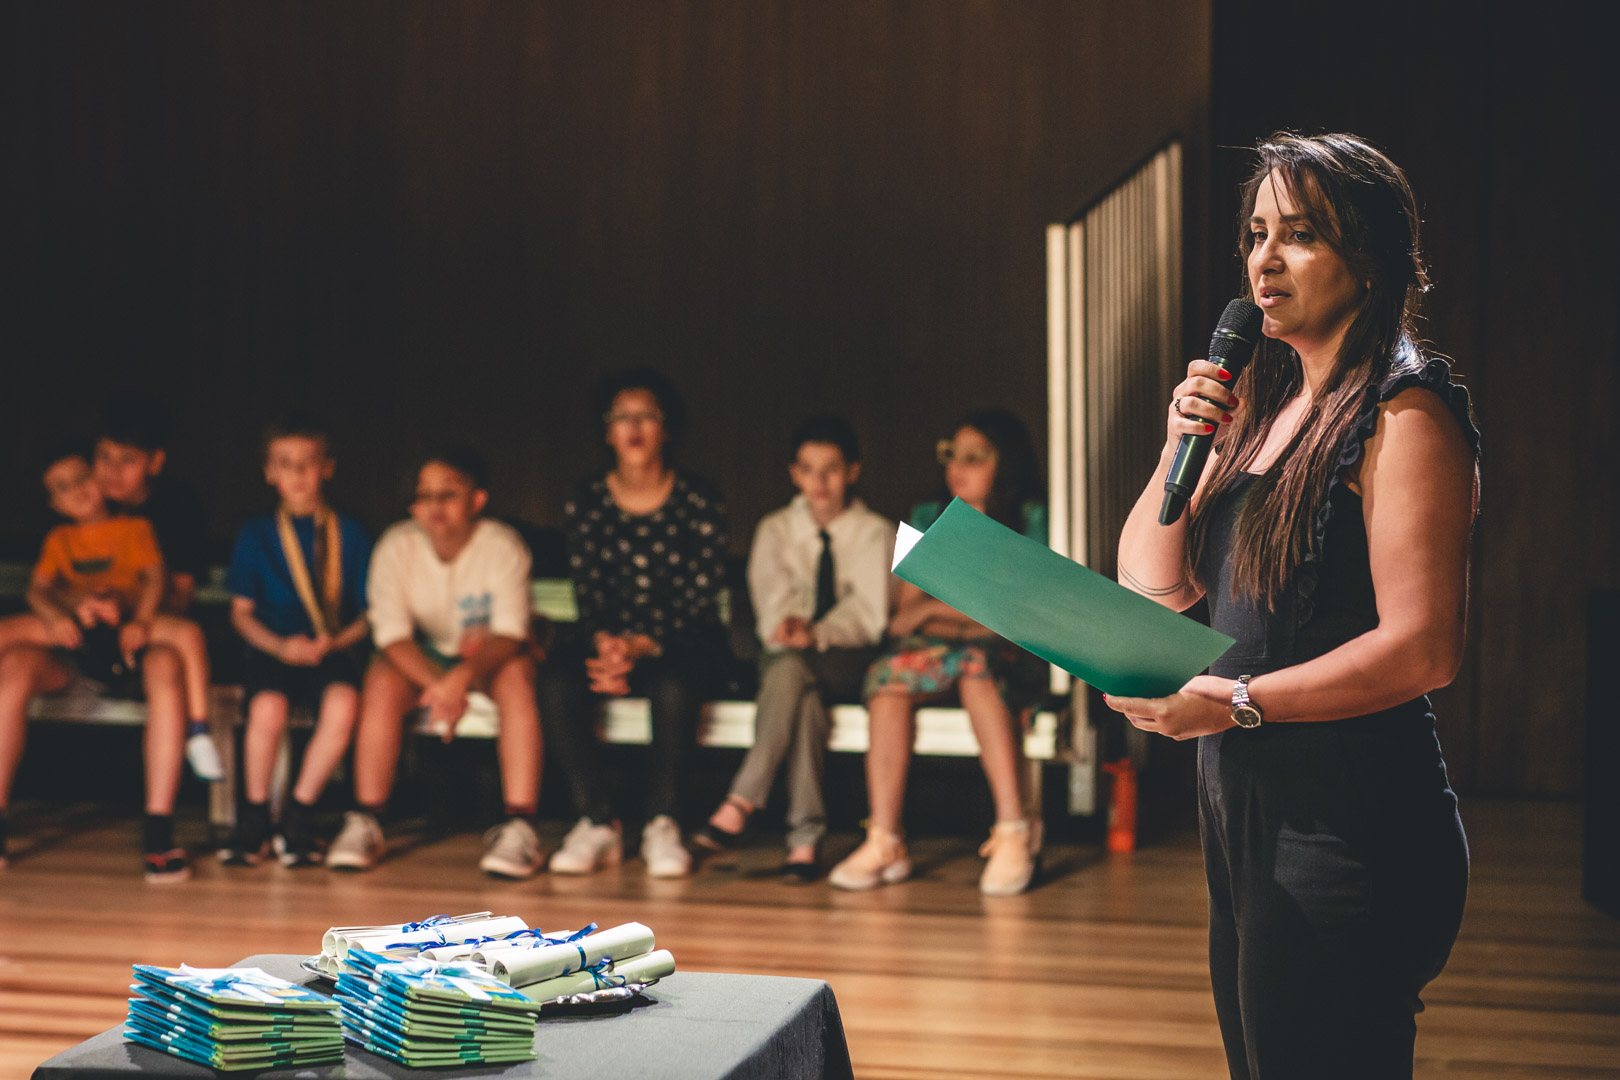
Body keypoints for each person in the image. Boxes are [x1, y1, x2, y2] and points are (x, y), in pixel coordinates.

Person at [1106, 133, 1476, 1078]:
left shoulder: (1404, 412)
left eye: (1300, 235)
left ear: (1372, 258)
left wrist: (1235, 701)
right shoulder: (1270, 415)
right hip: (1246, 813)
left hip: (1348, 822)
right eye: (1256, 234)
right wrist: (1178, 448)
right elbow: (1156, 585)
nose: (1264, 261)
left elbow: (1424, 648)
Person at [828, 408, 1048, 896]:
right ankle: (884, 839)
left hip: (1009, 655)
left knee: (975, 667)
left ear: (1004, 462)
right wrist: (962, 613)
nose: (956, 468)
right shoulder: (929, 515)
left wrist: (938, 609)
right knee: (889, 680)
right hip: (938, 651)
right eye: (951, 454)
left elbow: (1020, 616)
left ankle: (1013, 830)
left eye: (974, 457)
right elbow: (904, 616)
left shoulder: (1030, 518)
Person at [539, 369, 731, 878]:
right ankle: (596, 820)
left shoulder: (698, 498)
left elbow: (700, 596)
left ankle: (663, 821)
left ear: (667, 428)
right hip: (611, 644)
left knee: (674, 683)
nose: (634, 427)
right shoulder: (587, 498)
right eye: (622, 417)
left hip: (680, 641)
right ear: (607, 431)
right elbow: (589, 590)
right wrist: (609, 646)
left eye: (646, 416)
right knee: (558, 680)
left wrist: (643, 646)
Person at [325, 447, 545, 879]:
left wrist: (461, 677)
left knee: (518, 676)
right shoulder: (397, 546)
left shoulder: (501, 546)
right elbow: (391, 635)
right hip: (424, 657)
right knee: (382, 680)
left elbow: (510, 632)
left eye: (448, 494)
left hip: (485, 658)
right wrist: (440, 684)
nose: (435, 506)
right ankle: (367, 818)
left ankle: (521, 824)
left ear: (477, 500)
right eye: (424, 496)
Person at [693, 416, 893, 881]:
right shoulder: (776, 529)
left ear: (853, 471)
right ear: (793, 474)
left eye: (831, 469)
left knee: (791, 671)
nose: (819, 482)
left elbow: (870, 616)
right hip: (787, 657)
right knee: (802, 699)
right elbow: (770, 603)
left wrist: (818, 633)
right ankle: (803, 842)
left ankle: (743, 798)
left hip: (847, 658)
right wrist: (789, 627)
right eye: (808, 470)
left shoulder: (876, 532)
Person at [0, 439, 199, 880]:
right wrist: (60, 615)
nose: (77, 490)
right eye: (63, 487)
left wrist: (133, 615)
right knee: (13, 662)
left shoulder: (136, 528)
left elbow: (156, 582)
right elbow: (38, 590)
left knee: (168, 665)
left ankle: (159, 832)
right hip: (71, 658)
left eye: (82, 478)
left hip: (131, 653)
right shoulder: (60, 541)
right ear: (53, 503)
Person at [216, 413, 372, 867]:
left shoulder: (352, 533)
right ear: (270, 473)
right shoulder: (257, 534)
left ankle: (299, 817)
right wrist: (281, 647)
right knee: (267, 708)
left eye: (308, 463)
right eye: (286, 464)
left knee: (344, 704)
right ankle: (253, 820)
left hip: (331, 647)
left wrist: (336, 642)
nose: (299, 474)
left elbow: (371, 614)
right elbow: (240, 614)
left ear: (327, 468)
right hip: (272, 648)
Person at [92, 391, 223, 782]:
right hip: (84, 632)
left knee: (165, 666)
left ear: (155, 461)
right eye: (104, 457)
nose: (112, 471)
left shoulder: (178, 506)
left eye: (128, 460)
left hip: (154, 632)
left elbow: (181, 594)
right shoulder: (83, 499)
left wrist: (137, 620)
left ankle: (159, 812)